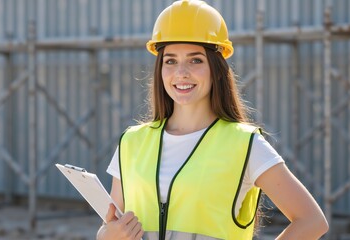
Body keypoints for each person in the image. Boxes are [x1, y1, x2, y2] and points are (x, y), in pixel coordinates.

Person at [97, 0, 329, 239]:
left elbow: (311, 221)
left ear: (216, 69)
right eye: (171, 61)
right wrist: (107, 236)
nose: (181, 72)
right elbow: (111, 224)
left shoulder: (244, 144)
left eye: (195, 60)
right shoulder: (131, 143)